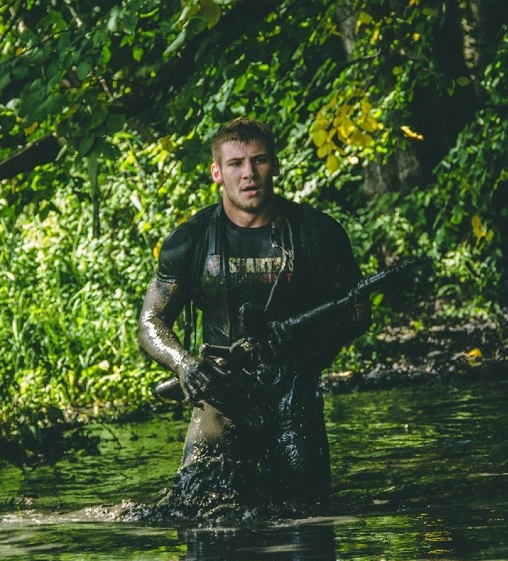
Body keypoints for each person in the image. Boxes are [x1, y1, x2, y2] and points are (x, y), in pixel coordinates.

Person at [138, 117, 371, 516]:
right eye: (236, 163)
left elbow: (358, 310)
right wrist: (186, 365)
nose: (249, 173)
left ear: (275, 165)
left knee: (308, 517)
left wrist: (305, 339)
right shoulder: (190, 241)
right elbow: (151, 322)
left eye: (259, 160)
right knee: (197, 513)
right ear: (217, 172)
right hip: (220, 392)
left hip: (293, 392)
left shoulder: (319, 232)